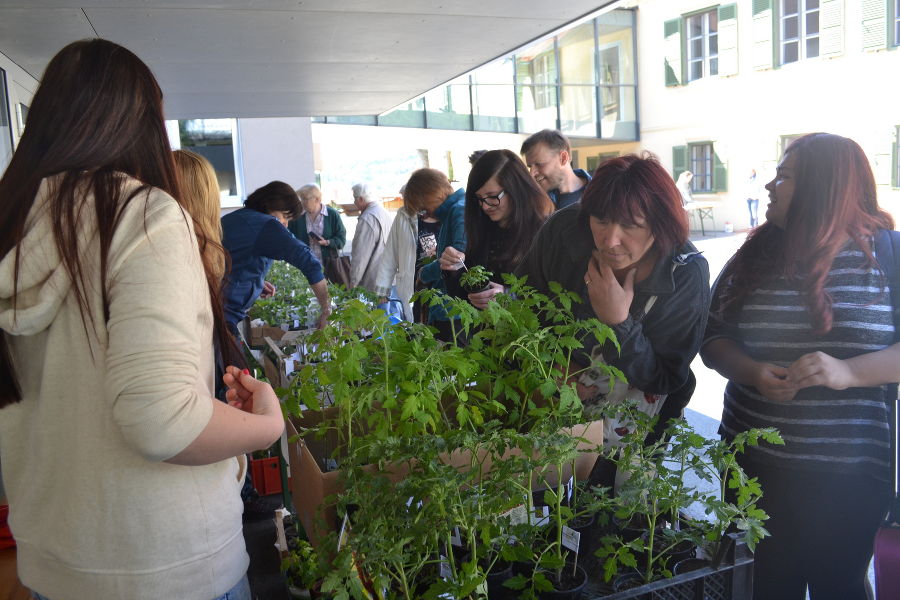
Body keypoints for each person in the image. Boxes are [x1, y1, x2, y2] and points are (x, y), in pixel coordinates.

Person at [0, 39, 284, 600]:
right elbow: (163, 422)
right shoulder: (140, 214)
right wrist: (265, 426)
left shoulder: (11, 218)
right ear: (141, 123)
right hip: (167, 564)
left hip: (56, 560)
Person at [700, 133, 899, 600]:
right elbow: (712, 338)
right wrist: (752, 371)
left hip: (851, 476)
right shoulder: (754, 254)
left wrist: (848, 372)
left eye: (784, 176)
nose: (770, 185)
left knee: (840, 585)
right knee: (764, 587)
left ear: (823, 185)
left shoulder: (888, 255)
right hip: (752, 467)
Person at [516, 154, 709, 447]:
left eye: (631, 225)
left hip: (633, 427)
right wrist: (550, 367)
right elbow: (522, 304)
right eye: (601, 220)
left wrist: (619, 322)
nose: (609, 240)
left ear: (659, 225)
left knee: (612, 490)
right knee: (542, 488)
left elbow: (665, 377)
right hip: (548, 402)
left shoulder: (685, 272)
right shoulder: (564, 230)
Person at [440, 149, 553, 309]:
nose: (485, 206)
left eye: (493, 196)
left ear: (516, 189)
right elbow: (464, 299)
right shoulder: (482, 229)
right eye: (479, 199)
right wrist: (454, 270)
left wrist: (509, 297)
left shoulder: (546, 231)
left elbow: (556, 299)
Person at [221, 181, 330, 332]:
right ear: (268, 205)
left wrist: (254, 282)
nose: (285, 224)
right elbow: (309, 261)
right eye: (284, 216)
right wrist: (327, 309)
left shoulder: (235, 218)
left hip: (211, 303)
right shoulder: (266, 225)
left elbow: (232, 262)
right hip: (226, 314)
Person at [404, 168, 466, 341]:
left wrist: (424, 273)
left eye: (423, 208)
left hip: (454, 313)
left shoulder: (459, 210)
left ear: (432, 194)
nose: (425, 214)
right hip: (451, 310)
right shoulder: (455, 210)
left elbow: (457, 259)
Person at [374, 188, 424, 322]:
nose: (406, 202)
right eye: (404, 198)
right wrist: (382, 291)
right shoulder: (402, 216)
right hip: (408, 284)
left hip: (431, 283)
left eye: (408, 197)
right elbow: (390, 254)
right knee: (414, 324)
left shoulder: (437, 215)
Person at [289, 183, 348, 286]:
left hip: (330, 267)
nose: (302, 202)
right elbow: (289, 238)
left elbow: (341, 240)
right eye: (301, 199)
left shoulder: (332, 215)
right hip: (304, 267)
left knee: (330, 296)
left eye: (305, 199)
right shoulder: (297, 217)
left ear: (317, 199)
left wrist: (327, 242)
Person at [520, 129, 591, 210]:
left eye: (540, 164)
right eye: (530, 166)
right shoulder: (532, 203)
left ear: (563, 158)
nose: (532, 173)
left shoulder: (601, 195)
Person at [349, 182, 393, 293]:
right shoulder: (384, 212)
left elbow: (361, 255)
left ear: (361, 199)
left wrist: (353, 282)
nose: (354, 202)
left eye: (355, 198)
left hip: (374, 281)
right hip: (390, 277)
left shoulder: (367, 218)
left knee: (377, 310)